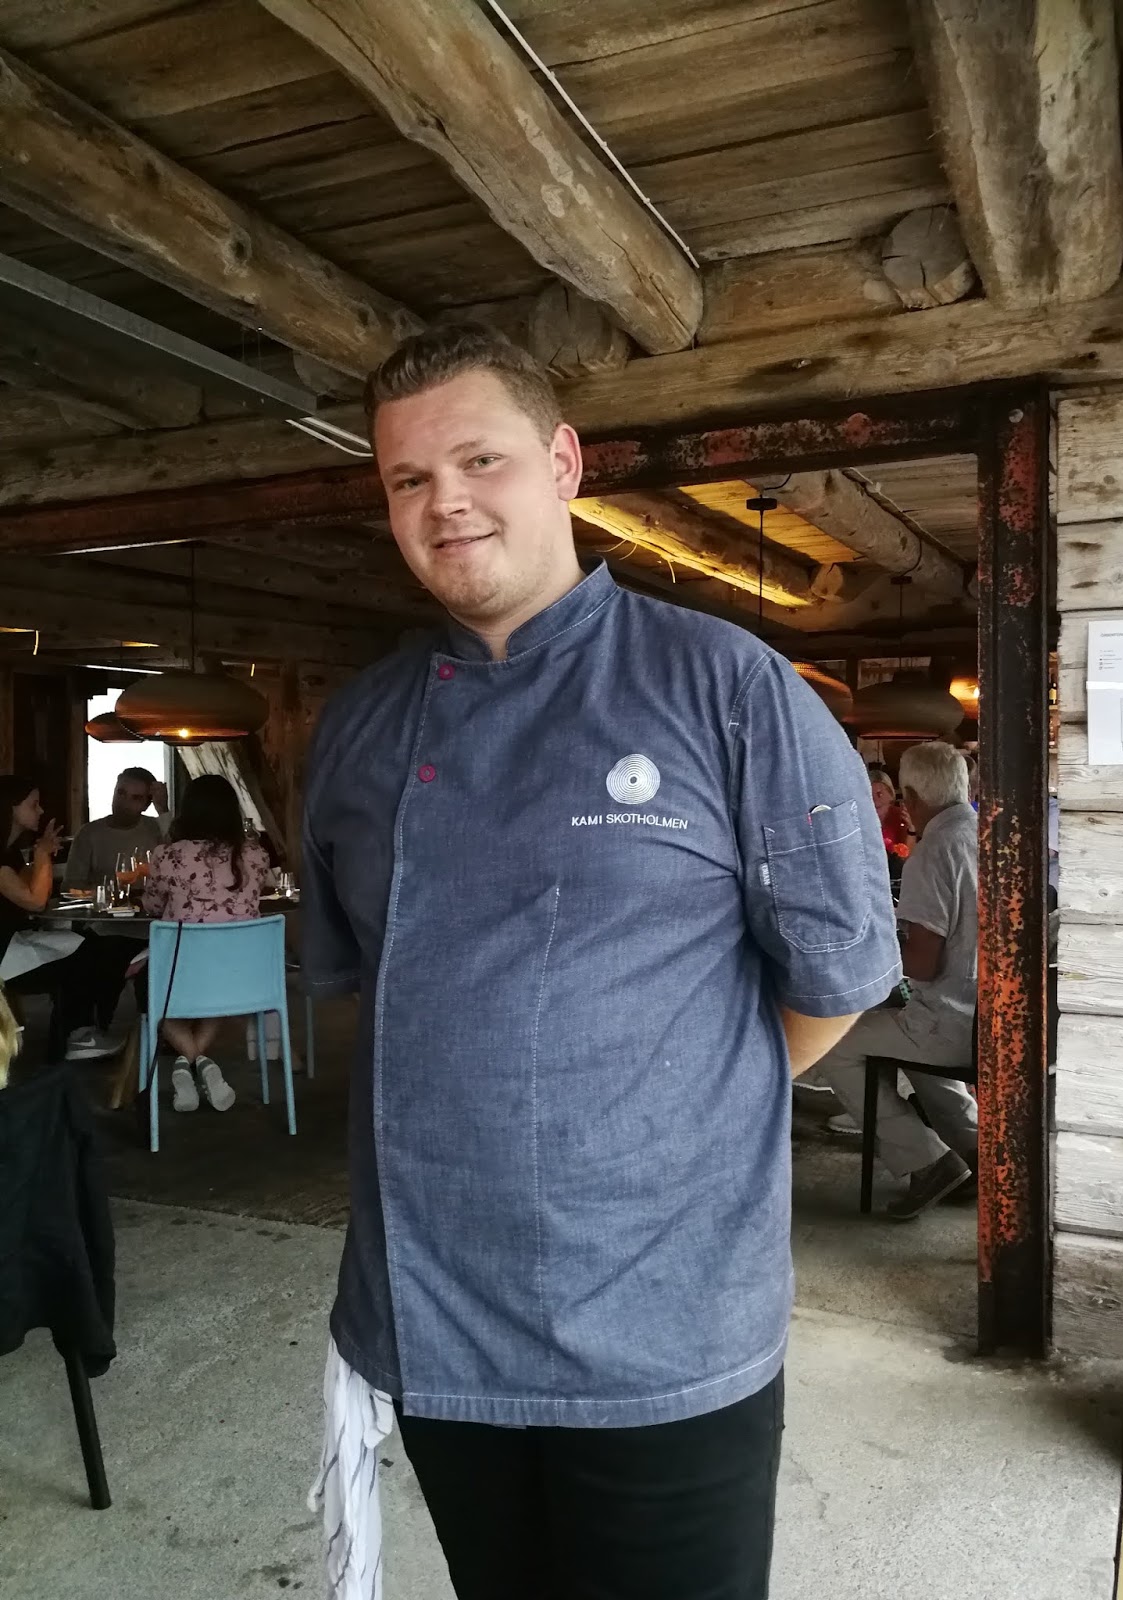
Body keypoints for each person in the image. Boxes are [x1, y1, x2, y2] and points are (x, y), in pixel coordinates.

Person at [303, 322, 901, 1600]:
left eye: (481, 459)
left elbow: (833, 981)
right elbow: (377, 992)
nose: (445, 501)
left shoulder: (730, 687)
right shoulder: (359, 727)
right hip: (435, 1312)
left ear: (565, 463)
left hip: (664, 1319)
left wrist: (653, 1120)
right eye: (408, 478)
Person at [815, 741, 979, 1220]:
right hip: (982, 1017)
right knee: (915, 1052)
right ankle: (977, 1155)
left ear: (912, 796)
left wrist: (871, 949)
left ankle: (927, 1161)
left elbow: (923, 964)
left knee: (834, 1045)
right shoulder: (981, 832)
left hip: (951, 1021)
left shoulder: (934, 851)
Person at [140, 775, 270, 1115]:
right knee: (218, 984)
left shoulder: (168, 855)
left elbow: (152, 906)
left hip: (181, 974)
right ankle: (199, 1063)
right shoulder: (256, 855)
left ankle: (192, 1060)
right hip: (242, 977)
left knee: (146, 986)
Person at [62, 766, 172, 1049]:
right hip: (108, 926)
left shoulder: (155, 829)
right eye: (121, 793)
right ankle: (90, 1031)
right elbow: (71, 885)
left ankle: (165, 1035)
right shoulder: (90, 833)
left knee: (164, 966)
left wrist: (163, 810)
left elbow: (180, 857)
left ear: (146, 803)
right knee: (95, 958)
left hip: (154, 928)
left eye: (135, 798)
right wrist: (107, 894)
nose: (123, 802)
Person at [0, 776, 109, 1060]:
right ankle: (72, 1038)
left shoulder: (10, 853)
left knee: (87, 944)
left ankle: (74, 1036)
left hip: (13, 941)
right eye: (33, 804)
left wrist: (41, 857)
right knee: (81, 959)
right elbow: (36, 901)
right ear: (10, 808)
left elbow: (33, 890)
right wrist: (42, 854)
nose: (40, 810)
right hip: (3, 954)